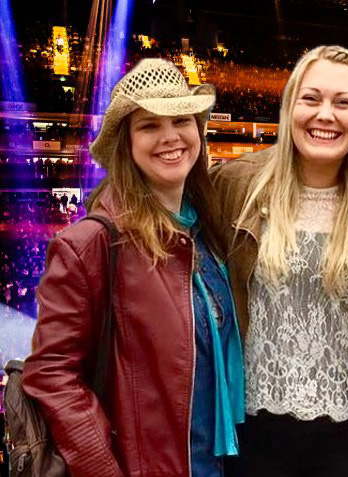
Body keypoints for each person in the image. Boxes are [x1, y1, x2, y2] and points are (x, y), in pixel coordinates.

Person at [21, 59, 243, 476]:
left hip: (218, 463)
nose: (170, 137)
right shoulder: (89, 245)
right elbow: (52, 374)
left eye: (181, 120)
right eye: (149, 125)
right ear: (126, 143)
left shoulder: (207, 231)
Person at [211, 46, 348, 476]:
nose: (325, 115)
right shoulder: (236, 183)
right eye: (311, 99)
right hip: (254, 430)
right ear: (290, 106)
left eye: (343, 102)